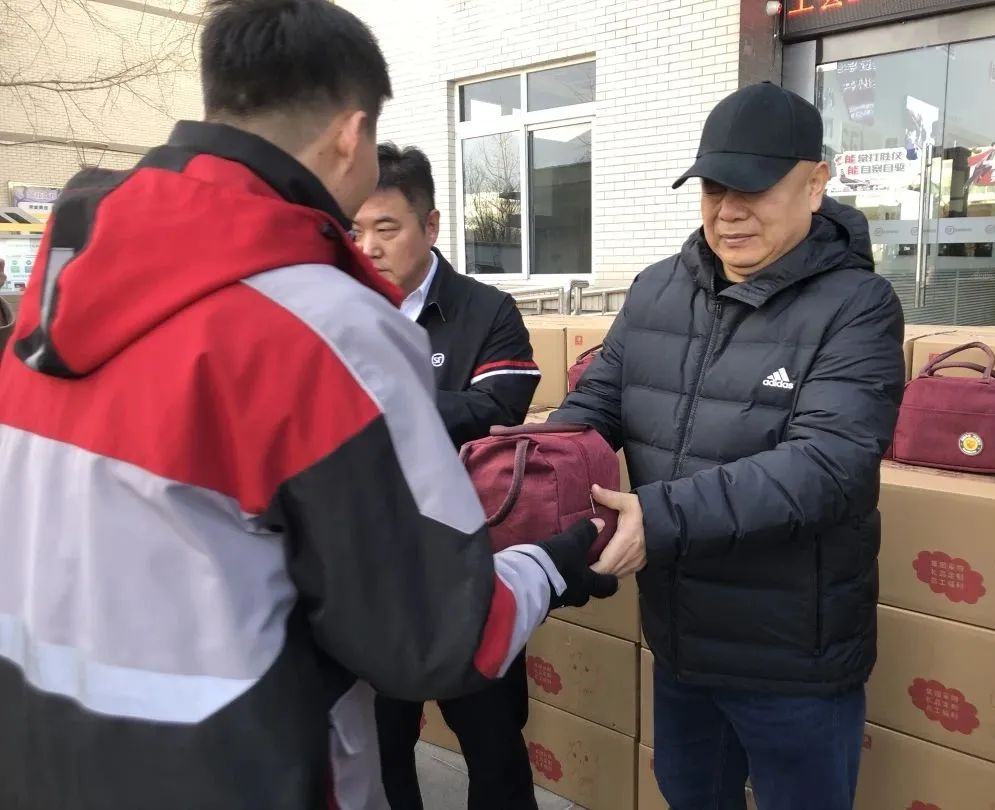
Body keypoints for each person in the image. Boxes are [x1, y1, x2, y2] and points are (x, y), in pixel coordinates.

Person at [0, 2, 616, 809]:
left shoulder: (58, 300)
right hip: (237, 771)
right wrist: (554, 561)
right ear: (351, 136)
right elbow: (441, 636)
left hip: (41, 753)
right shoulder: (323, 324)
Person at [553, 82, 905, 810]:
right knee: (690, 794)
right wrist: (528, 465)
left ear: (815, 185)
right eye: (714, 188)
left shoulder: (858, 307)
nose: (728, 210)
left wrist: (659, 518)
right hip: (682, 639)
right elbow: (598, 403)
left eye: (753, 188)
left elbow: (829, 464)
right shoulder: (656, 291)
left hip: (794, 655)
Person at [354, 144, 541, 810]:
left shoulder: (485, 312)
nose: (368, 248)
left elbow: (498, 409)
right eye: (354, 229)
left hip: (470, 569)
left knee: (494, 747)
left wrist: (370, 411)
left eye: (386, 228)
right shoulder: (341, 311)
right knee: (382, 745)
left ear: (430, 226)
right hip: (369, 572)